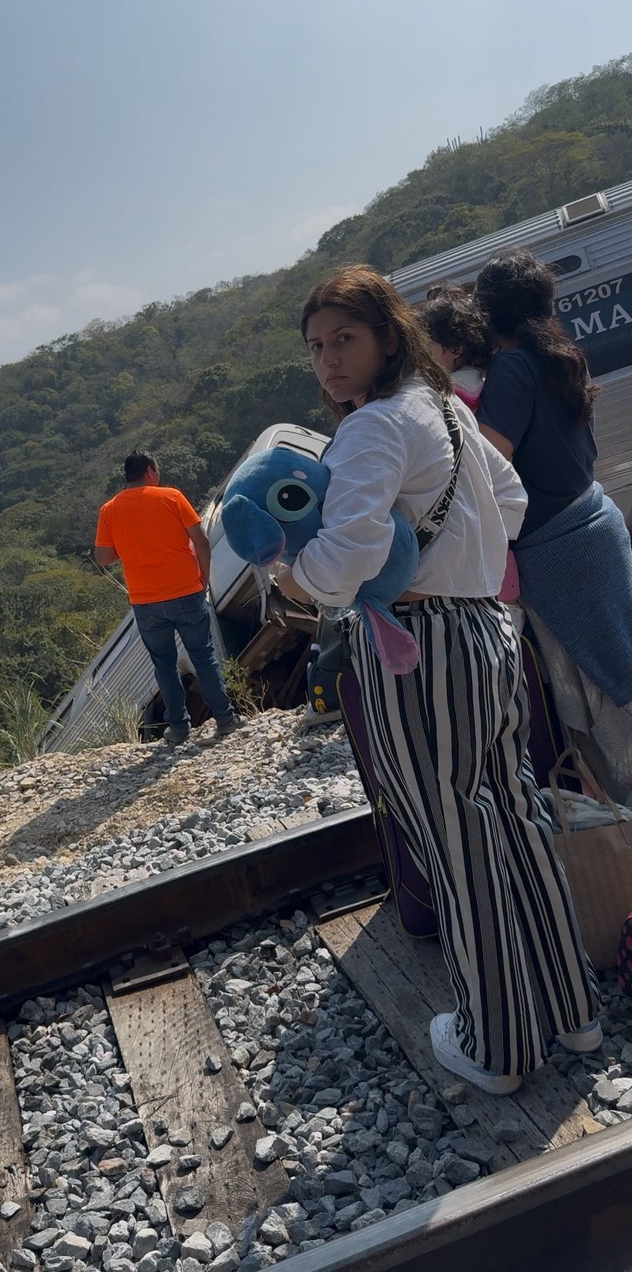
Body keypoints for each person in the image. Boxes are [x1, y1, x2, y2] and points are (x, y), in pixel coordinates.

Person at [275, 264, 600, 1096]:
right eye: (316, 346)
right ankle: (571, 1009)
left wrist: (293, 580)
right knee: (515, 810)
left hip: (419, 645)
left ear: (388, 333)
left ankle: (496, 1042)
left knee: (457, 838)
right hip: (488, 626)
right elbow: (514, 499)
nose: (328, 361)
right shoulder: (447, 405)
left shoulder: (371, 428)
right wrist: (464, 557)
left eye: (344, 338)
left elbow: (343, 562)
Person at [475, 250, 632, 807]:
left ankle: (622, 825)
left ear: (488, 312)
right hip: (596, 525)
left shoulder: (514, 367)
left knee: (603, 696)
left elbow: (487, 464)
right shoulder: (562, 356)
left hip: (559, 552)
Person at [93, 451, 239, 744]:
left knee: (164, 665)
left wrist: (130, 543)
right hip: (185, 591)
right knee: (203, 656)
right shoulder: (171, 497)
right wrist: (204, 577)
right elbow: (200, 538)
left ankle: (180, 728)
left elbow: (103, 558)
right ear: (149, 471)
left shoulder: (109, 510)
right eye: (156, 470)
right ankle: (225, 719)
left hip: (145, 601)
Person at [420, 287, 521, 613]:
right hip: (497, 537)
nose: (419, 352)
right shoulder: (481, 380)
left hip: (476, 532)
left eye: (425, 342)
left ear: (455, 348)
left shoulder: (453, 394)